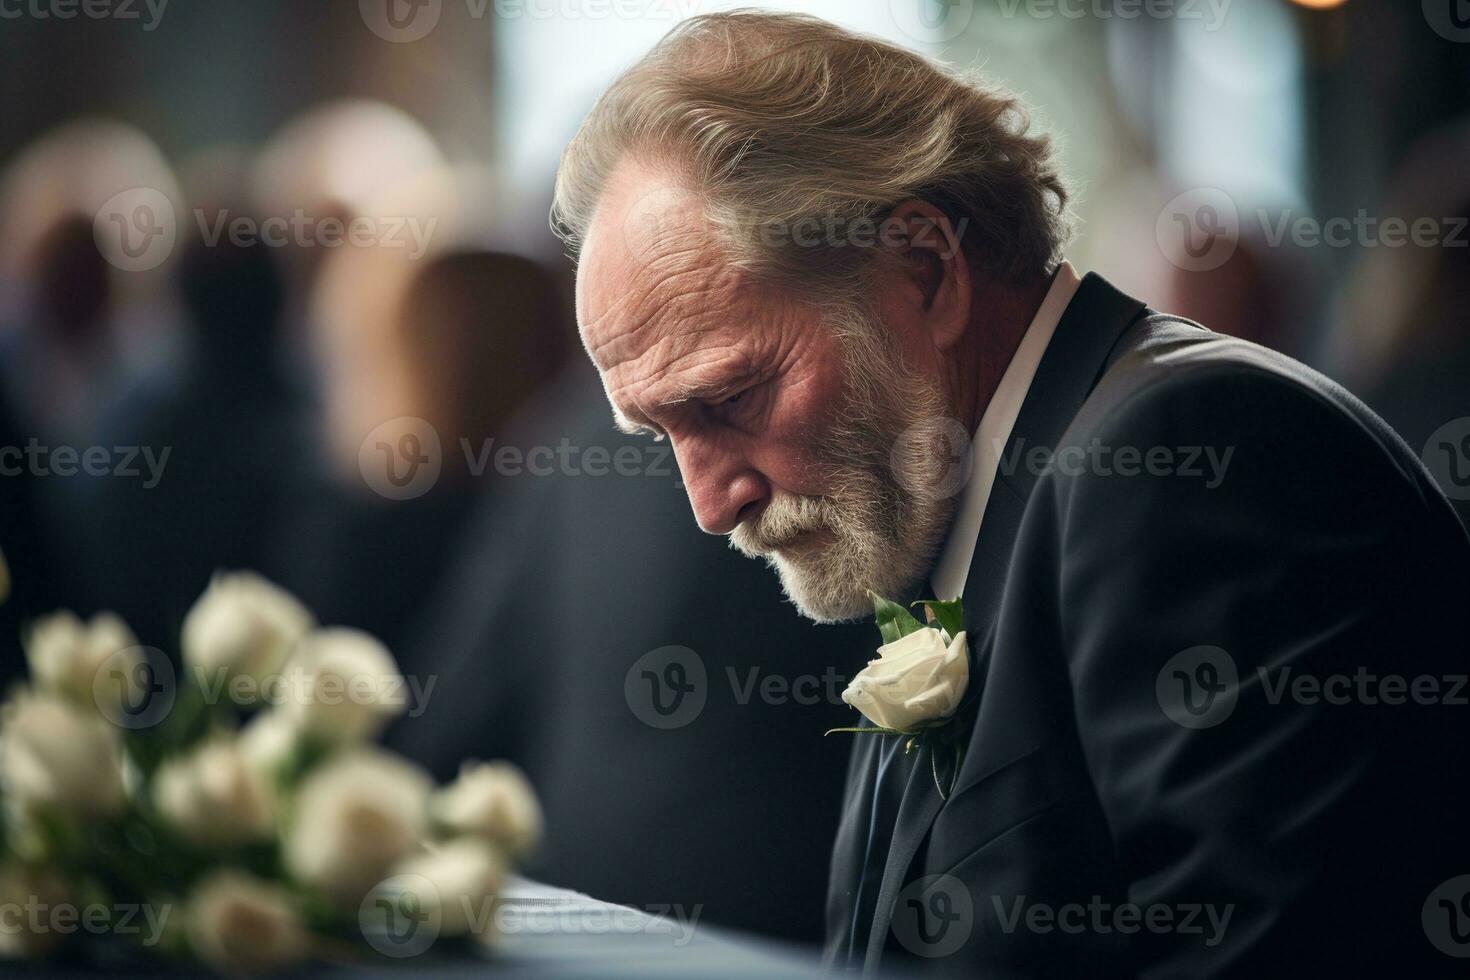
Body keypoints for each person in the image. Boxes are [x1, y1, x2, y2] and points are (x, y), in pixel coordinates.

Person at [553, 11, 1470, 977]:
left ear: (924, 271)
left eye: (734, 396)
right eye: (661, 433)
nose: (710, 503)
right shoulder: (970, 501)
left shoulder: (1191, 453)